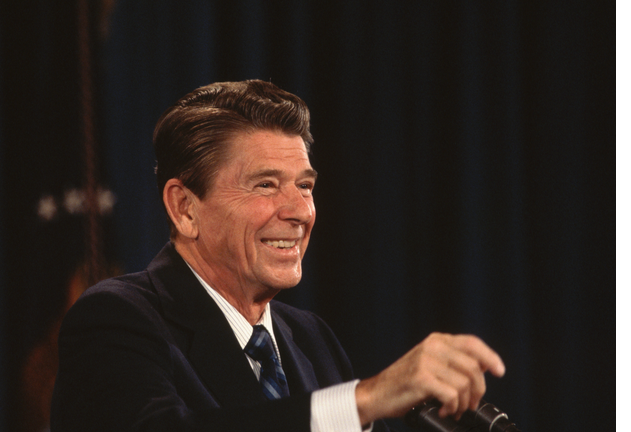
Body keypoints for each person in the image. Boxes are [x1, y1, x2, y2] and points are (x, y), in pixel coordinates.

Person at [50, 80, 505, 432]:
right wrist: (365, 399)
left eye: (304, 186)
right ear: (185, 208)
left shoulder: (310, 339)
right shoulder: (115, 319)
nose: (299, 212)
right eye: (266, 185)